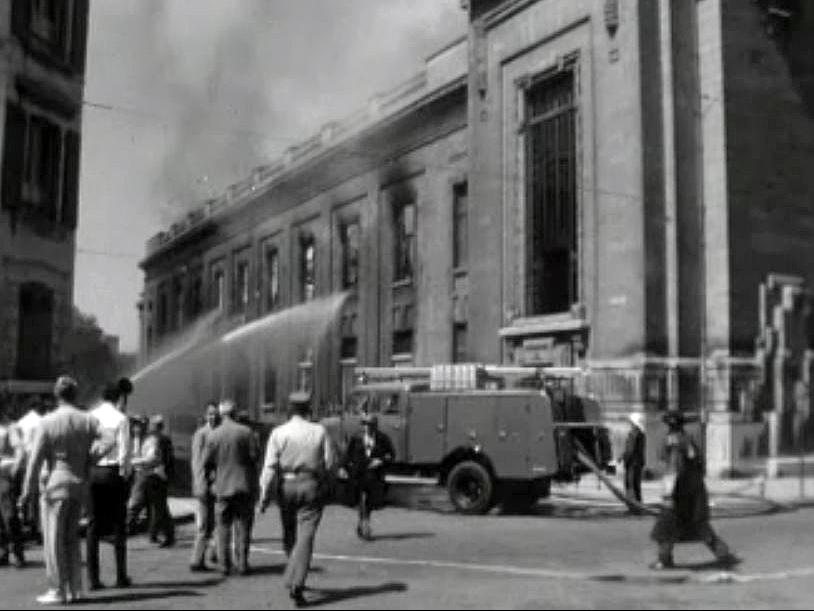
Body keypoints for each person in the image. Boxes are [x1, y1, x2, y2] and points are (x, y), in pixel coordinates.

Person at [18, 376, 112, 605]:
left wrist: (26, 491)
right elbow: (110, 439)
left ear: (56, 395)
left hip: (55, 484)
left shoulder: (48, 422)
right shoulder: (87, 419)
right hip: (79, 483)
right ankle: (75, 588)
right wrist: (92, 457)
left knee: (53, 540)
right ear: (75, 395)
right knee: (71, 539)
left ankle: (57, 589)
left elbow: (35, 461)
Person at [259, 392, 336, 606]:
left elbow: (269, 466)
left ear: (290, 409)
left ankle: (292, 572)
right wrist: (329, 484)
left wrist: (264, 494)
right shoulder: (319, 431)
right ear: (308, 409)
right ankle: (297, 582)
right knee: (307, 535)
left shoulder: (278, 433)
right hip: (311, 484)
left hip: (286, 485)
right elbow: (330, 463)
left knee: (290, 532)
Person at [649, 411, 740, 570]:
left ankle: (664, 559)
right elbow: (698, 464)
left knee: (666, 526)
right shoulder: (688, 439)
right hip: (695, 490)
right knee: (698, 525)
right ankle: (723, 554)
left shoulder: (673, 442)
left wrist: (668, 495)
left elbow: (673, 469)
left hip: (680, 492)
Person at [203, 399, 260, 576]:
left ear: (221, 414)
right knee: (243, 526)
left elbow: (207, 463)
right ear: (235, 413)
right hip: (244, 486)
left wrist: (211, 480)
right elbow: (255, 456)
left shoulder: (214, 435)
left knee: (223, 527)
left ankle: (224, 564)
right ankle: (242, 563)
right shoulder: (246, 432)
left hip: (222, 487)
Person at [86, 383, 133, 589]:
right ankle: (121, 576)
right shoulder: (121, 419)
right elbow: (124, 452)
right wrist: (125, 476)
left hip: (93, 471)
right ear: (118, 398)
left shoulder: (90, 416)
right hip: (113, 472)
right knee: (118, 525)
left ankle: (93, 578)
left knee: (93, 526)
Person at [343, 413, 394, 541]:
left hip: (374, 474)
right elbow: (347, 454)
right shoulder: (356, 437)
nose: (367, 428)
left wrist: (381, 460)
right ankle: (363, 522)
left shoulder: (383, 438)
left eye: (370, 425)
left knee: (370, 501)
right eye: (365, 425)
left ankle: (365, 520)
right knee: (360, 499)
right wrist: (342, 467)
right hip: (358, 473)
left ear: (375, 426)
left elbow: (391, 454)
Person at [129, 415, 175, 547]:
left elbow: (153, 458)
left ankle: (163, 534)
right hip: (153, 475)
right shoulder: (151, 438)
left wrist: (133, 462)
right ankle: (156, 533)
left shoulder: (154, 439)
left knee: (156, 506)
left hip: (154, 475)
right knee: (156, 506)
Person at [189, 402, 220, 571]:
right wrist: (200, 486)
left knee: (216, 523)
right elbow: (197, 464)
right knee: (203, 526)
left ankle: (214, 553)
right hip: (204, 486)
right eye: (210, 414)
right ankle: (196, 560)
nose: (213, 417)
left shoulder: (220, 432)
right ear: (205, 415)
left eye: (215, 414)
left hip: (218, 486)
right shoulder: (201, 434)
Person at [15, 397, 47, 543]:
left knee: (27, 495)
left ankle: (29, 525)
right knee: (38, 497)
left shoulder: (22, 422)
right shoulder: (42, 421)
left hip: (24, 462)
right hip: (40, 463)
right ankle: (37, 529)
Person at [0, 403, 25, 567]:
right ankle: (3, 552)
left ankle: (17, 552)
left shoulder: (10, 427)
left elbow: (20, 450)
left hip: (3, 475)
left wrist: (14, 469)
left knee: (9, 516)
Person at [622, 412, 646, 508]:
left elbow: (631, 449)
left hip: (633, 463)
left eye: (631, 422)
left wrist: (624, 457)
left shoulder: (635, 434)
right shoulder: (638, 433)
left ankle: (634, 505)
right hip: (634, 462)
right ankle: (635, 504)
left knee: (631, 484)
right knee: (633, 484)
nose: (630, 424)